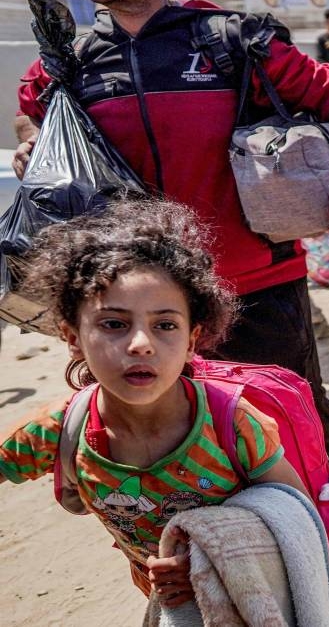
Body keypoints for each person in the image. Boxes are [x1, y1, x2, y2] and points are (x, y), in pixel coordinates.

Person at [13, 0, 329, 513]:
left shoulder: (231, 40)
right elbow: (31, 116)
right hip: (141, 304)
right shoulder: (69, 62)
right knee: (180, 427)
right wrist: (32, 140)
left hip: (256, 279)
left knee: (292, 411)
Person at [0, 200, 308, 606]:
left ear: (192, 341)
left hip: (253, 598)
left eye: (165, 325)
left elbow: (295, 516)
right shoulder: (60, 430)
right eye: (113, 324)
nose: (141, 345)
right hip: (169, 605)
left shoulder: (230, 423)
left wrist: (209, 559)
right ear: (72, 337)